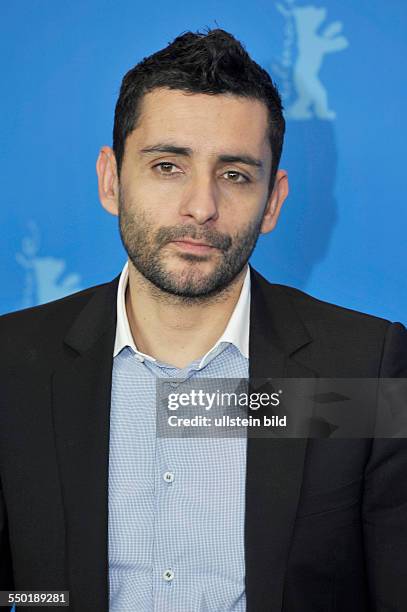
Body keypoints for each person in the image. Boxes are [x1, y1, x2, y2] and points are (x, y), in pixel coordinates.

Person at [1, 28, 406, 612]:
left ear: (272, 202)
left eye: (235, 174)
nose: (201, 206)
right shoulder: (12, 364)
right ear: (111, 180)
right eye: (168, 165)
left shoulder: (364, 366)